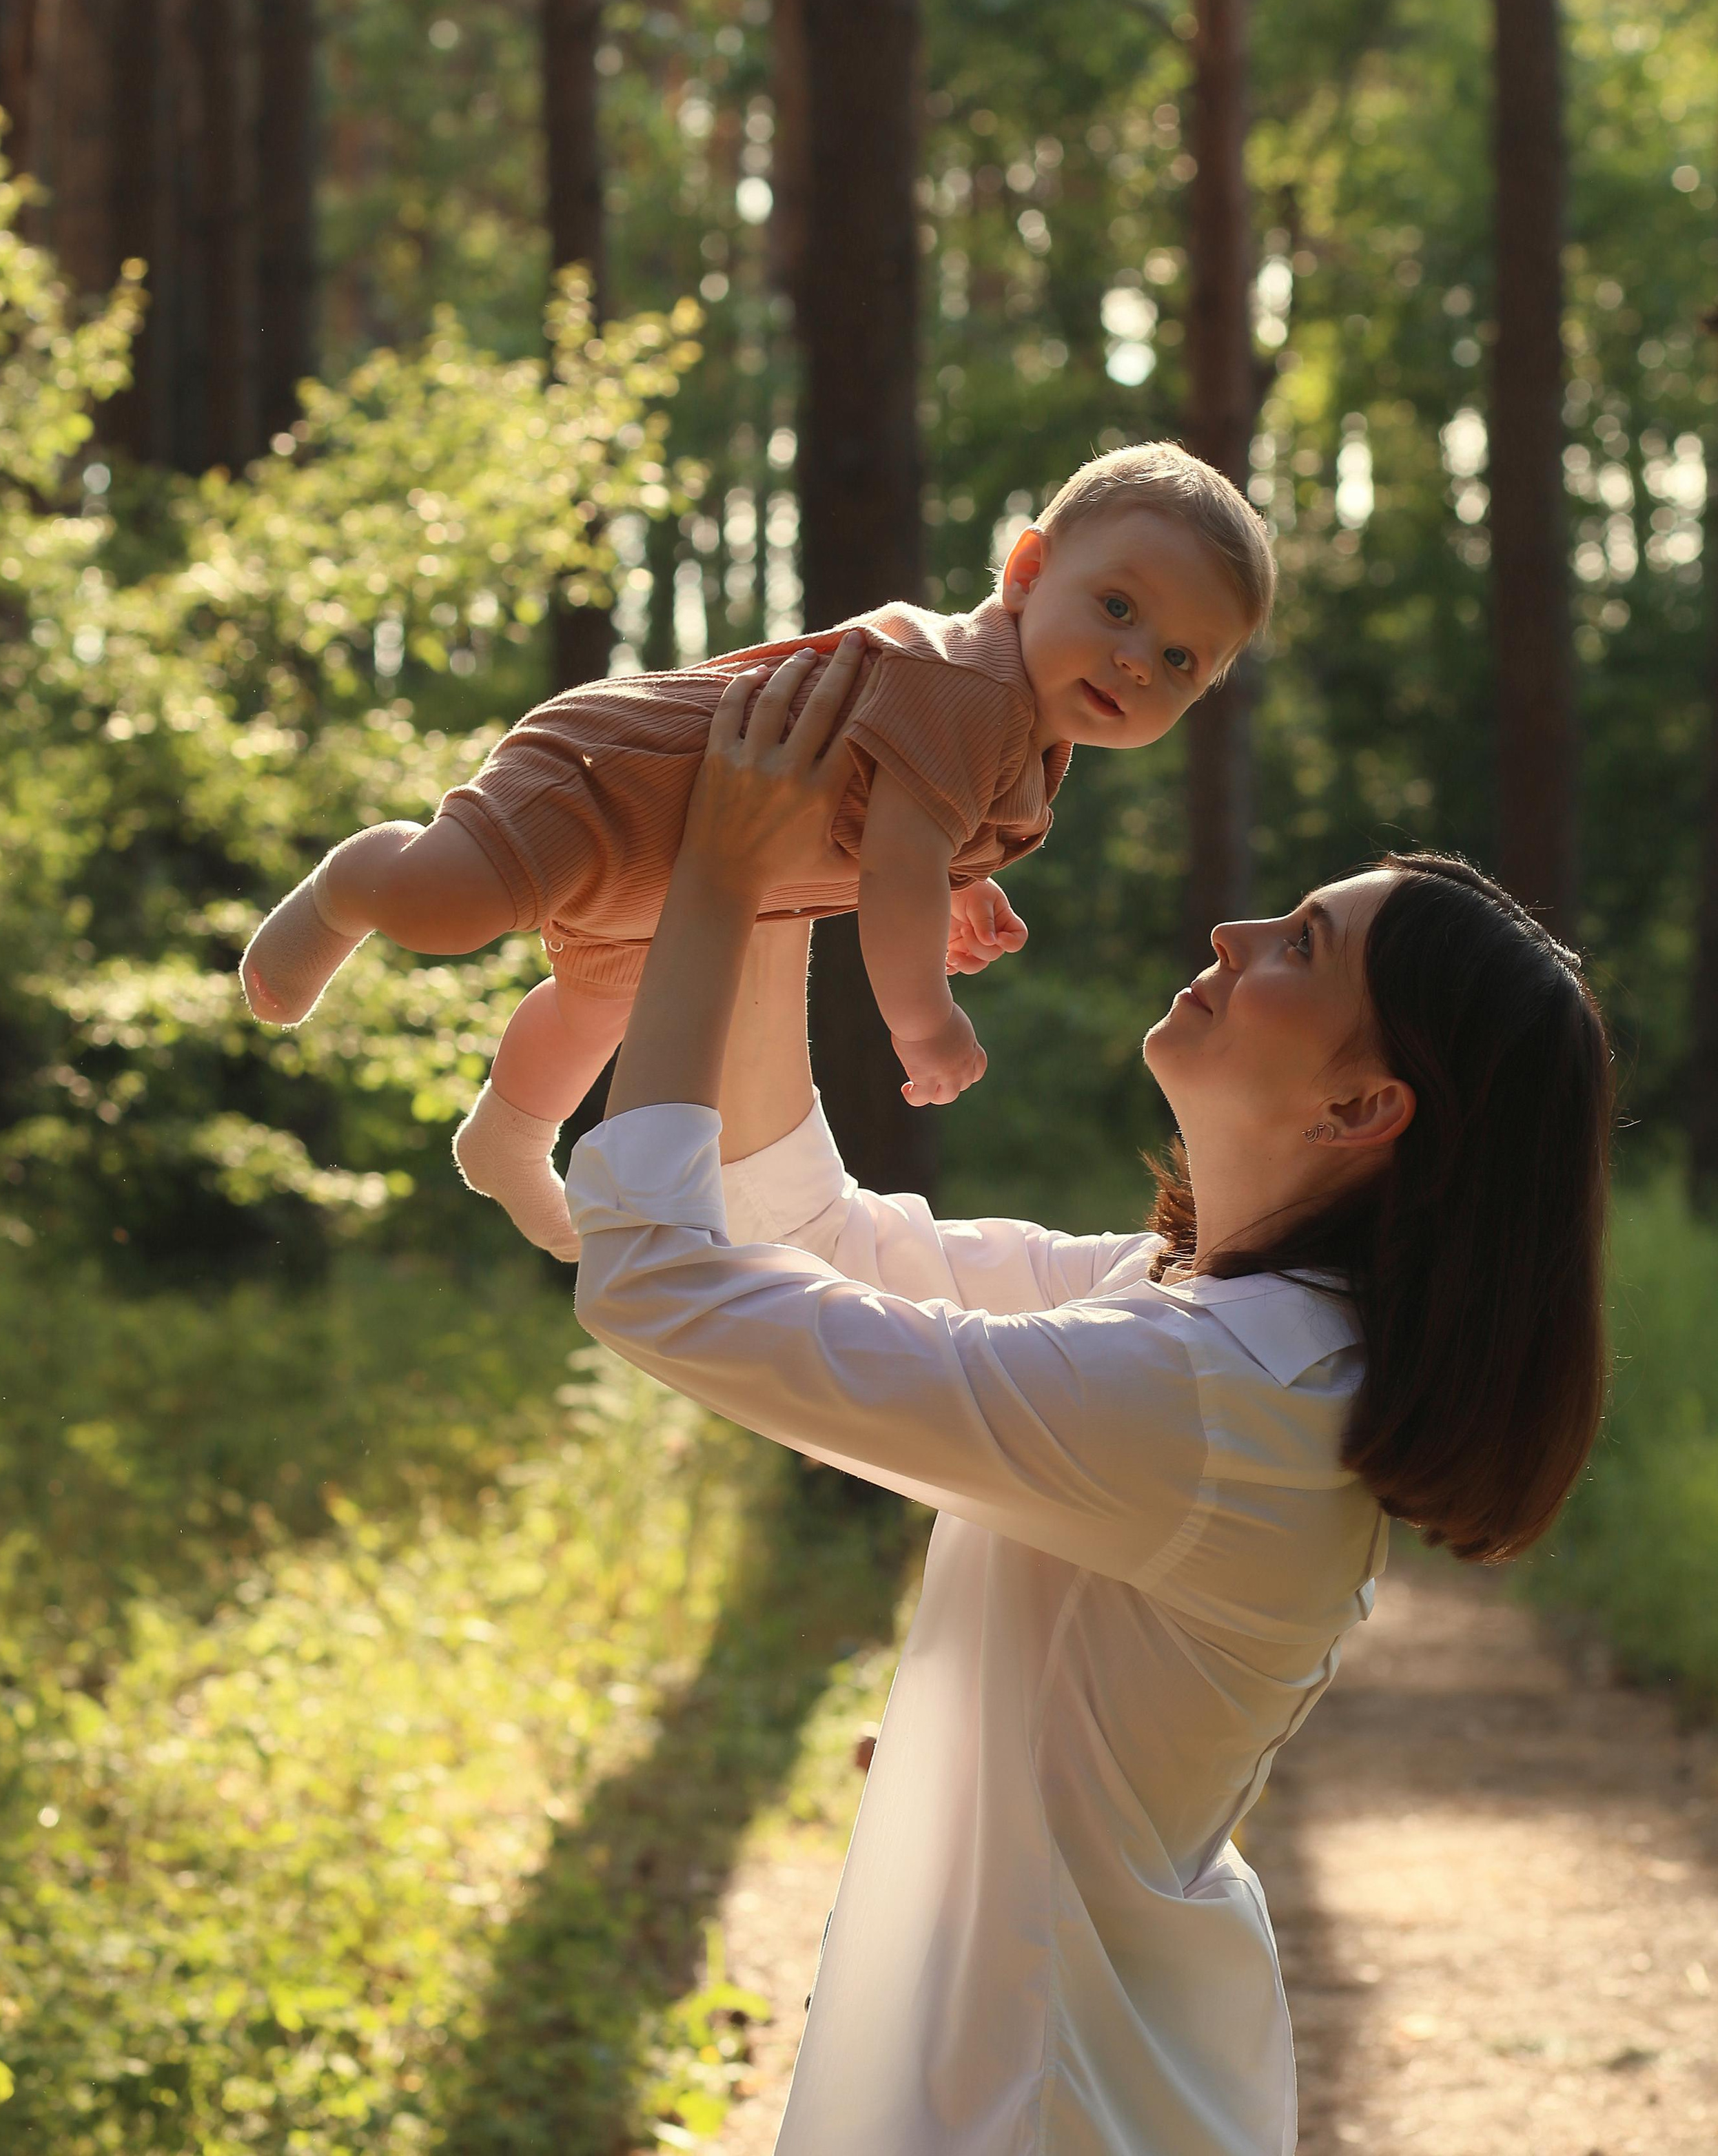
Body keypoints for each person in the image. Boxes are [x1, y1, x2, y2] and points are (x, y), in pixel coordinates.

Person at [563, 635, 1613, 2156]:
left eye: (1300, 948)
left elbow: (664, 1278)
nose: (1234, 928)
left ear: (1362, 1107)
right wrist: (797, 883)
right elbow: (810, 1238)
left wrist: (718, 888)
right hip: (1076, 2067)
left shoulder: (1207, 1393)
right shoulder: (1207, 1320)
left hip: (1042, 2100)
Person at [238, 442, 1273, 1257]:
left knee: (599, 1007)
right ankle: (359, 876)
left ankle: (506, 1136)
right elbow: (900, 861)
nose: (1136, 661)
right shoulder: (971, 687)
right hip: (623, 779)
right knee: (442, 909)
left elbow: (910, 834)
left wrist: (963, 884)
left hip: (683, 872)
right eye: (1118, 607)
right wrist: (926, 1020)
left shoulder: (1028, 742)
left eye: (1179, 659)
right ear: (1028, 570)